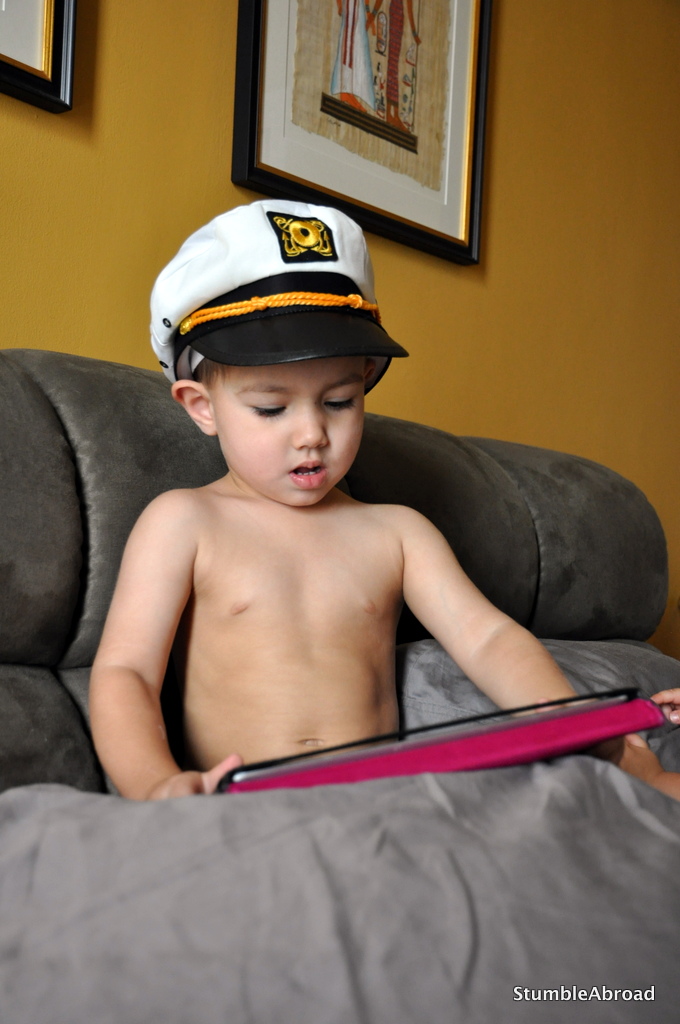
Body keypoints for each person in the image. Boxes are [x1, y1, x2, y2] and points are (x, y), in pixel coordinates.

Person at [89, 200, 680, 801]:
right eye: (271, 408)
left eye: (339, 401)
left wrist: (587, 734)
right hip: (244, 808)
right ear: (202, 407)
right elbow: (126, 672)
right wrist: (157, 785)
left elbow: (488, 640)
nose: (312, 434)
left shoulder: (398, 533)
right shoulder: (184, 522)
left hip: (382, 804)